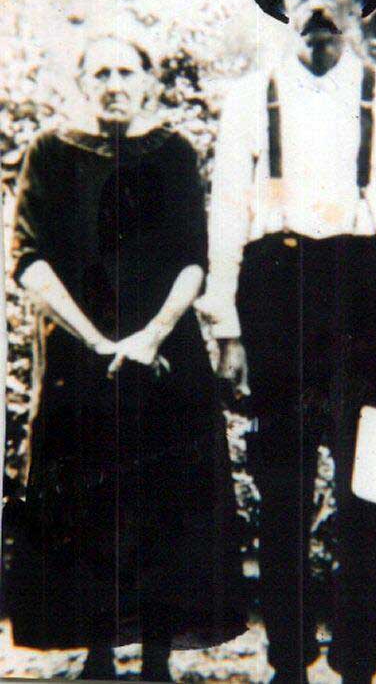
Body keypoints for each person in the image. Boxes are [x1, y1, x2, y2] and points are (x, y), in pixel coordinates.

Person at [195, 0, 376, 684]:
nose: (315, 4)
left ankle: (358, 660)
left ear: (359, 1)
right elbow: (226, 215)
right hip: (276, 289)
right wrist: (227, 325)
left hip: (366, 290)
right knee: (282, 484)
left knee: (371, 486)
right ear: (282, 6)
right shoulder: (250, 98)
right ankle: (288, 658)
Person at [2, 35, 247, 681]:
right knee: (86, 501)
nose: (114, 83)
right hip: (77, 353)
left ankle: (158, 656)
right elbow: (27, 258)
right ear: (83, 81)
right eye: (101, 71)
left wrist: (150, 336)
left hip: (165, 353)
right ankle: (98, 654)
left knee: (166, 498)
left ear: (147, 82)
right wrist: (96, 341)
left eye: (127, 71)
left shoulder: (173, 152)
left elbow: (194, 257)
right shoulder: (49, 152)